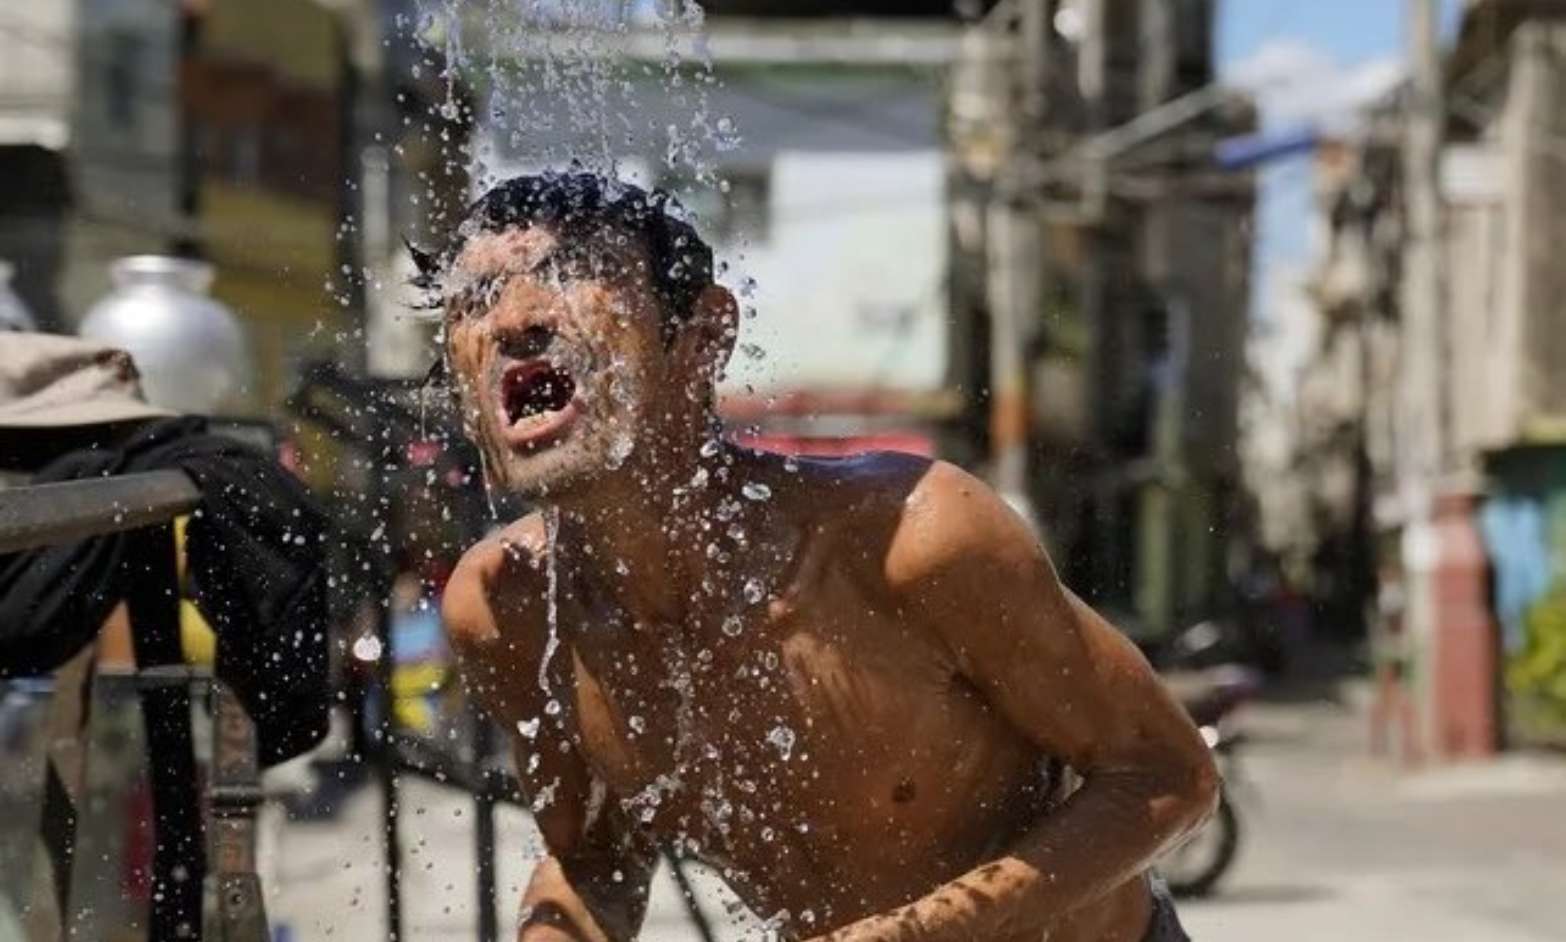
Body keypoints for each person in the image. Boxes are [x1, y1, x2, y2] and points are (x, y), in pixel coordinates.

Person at [434, 173, 1216, 942]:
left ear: (703, 336)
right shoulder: (508, 608)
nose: (515, 319)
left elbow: (1168, 775)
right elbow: (596, 856)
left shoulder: (912, 537)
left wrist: (917, 934)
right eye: (475, 295)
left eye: (578, 276)